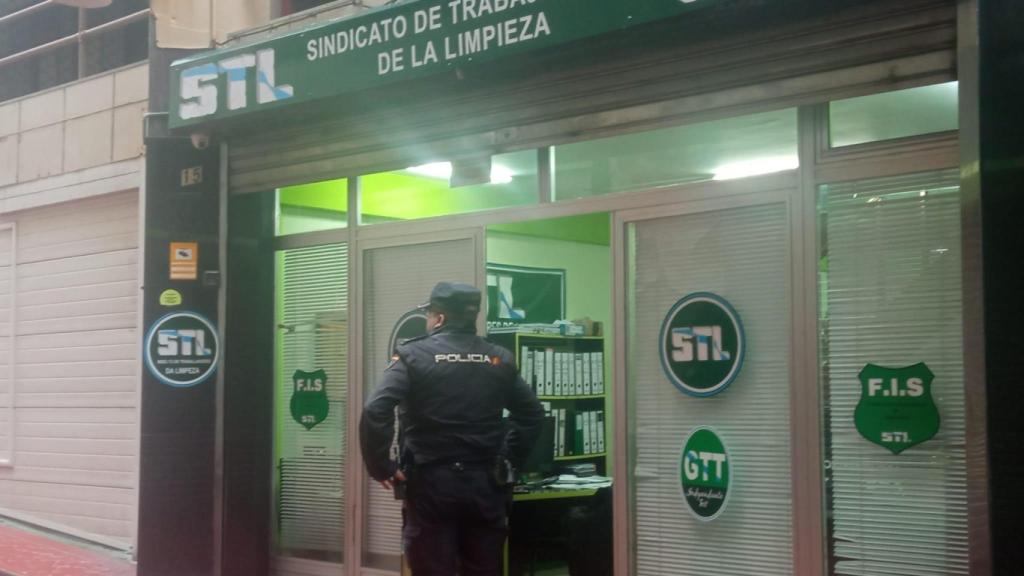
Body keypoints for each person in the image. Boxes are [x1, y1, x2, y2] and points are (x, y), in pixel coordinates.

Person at [360, 281, 545, 576]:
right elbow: (533, 415)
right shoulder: (499, 358)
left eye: (430, 315)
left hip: (431, 484)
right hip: (487, 484)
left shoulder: (412, 356)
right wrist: (509, 458)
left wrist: (381, 465)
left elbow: (375, 409)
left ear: (440, 318)